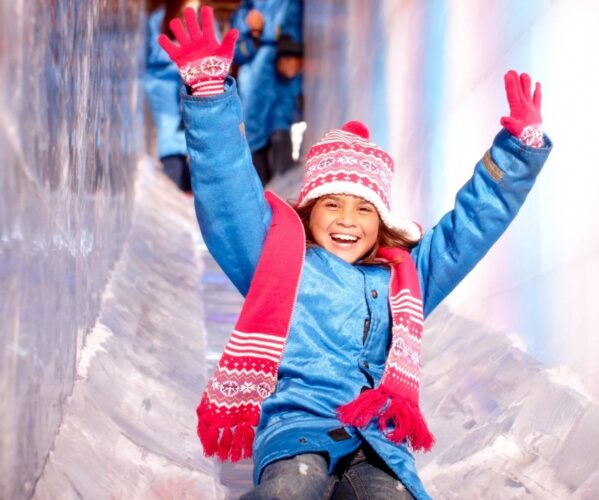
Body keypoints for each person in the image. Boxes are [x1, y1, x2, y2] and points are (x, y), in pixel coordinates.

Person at [159, 7, 551, 499]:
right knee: (289, 493)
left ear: (382, 221)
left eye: (364, 208)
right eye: (332, 204)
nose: (347, 220)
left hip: (377, 440)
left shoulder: (405, 277)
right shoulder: (281, 263)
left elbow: (465, 231)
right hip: (297, 432)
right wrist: (211, 98)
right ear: (308, 212)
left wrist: (516, 154)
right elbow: (229, 198)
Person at [230, 0, 303, 184]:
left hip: (281, 79)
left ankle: (284, 193)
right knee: (254, 138)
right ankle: (260, 196)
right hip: (252, 84)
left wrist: (289, 51)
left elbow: (296, 30)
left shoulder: (289, 4)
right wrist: (254, 35)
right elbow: (235, 51)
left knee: (280, 128)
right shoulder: (243, 12)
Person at [144, 0, 202, 192]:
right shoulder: (159, 18)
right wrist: (182, 54)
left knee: (193, 134)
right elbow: (153, 52)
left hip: (192, 83)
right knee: (170, 134)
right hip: (164, 84)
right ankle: (173, 185)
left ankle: (187, 188)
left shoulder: (202, 16)